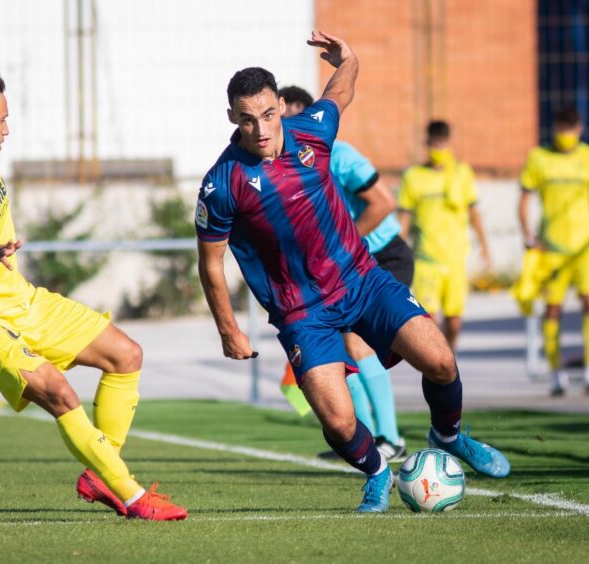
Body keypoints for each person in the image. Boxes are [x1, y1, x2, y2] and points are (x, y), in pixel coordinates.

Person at [195, 31, 510, 513]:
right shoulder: (222, 183)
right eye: (247, 119)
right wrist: (228, 328)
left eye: (268, 114)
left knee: (441, 361)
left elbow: (340, 91)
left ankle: (448, 435)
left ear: (281, 105)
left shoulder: (313, 131)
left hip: (361, 281)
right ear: (232, 117)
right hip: (302, 313)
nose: (260, 128)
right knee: (339, 421)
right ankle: (378, 473)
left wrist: (350, 57)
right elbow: (211, 262)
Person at [0, 55, 186, 521]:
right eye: (2, 120)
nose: (7, 129)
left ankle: (101, 473)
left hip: (21, 300)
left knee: (126, 355)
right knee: (58, 391)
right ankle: (132, 495)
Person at [278, 85, 411, 461]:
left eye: (290, 122)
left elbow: (384, 203)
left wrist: (342, 246)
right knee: (341, 350)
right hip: (342, 264)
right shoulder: (287, 168)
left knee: (357, 344)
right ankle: (366, 439)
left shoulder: (338, 155)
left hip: (382, 256)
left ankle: (390, 439)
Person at [397, 121, 491, 352]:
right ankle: (436, 362)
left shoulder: (462, 173)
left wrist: (484, 245)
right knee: (429, 319)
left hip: (455, 258)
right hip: (426, 259)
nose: (438, 149)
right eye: (434, 144)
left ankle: (449, 357)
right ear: (426, 144)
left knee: (454, 321)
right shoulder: (413, 176)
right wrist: (396, 248)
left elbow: (473, 212)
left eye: (442, 143)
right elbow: (404, 218)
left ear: (450, 143)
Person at [519, 106, 589, 396]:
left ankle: (587, 373)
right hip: (553, 249)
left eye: (570, 130)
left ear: (579, 129)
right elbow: (524, 198)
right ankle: (556, 374)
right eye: (561, 129)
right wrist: (529, 236)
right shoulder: (539, 158)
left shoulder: (586, 156)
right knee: (552, 310)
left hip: (584, 248)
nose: (565, 135)